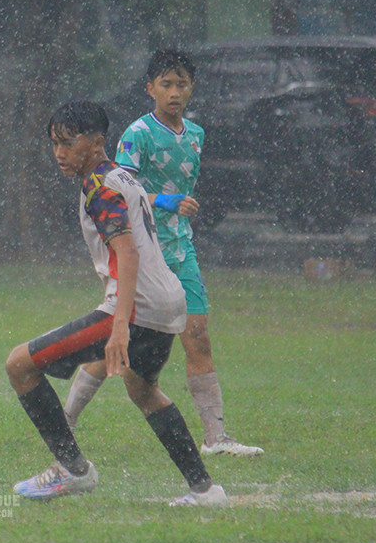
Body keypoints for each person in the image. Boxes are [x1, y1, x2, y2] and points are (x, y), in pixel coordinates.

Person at [6, 100, 226, 506]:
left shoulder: (99, 186)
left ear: (96, 143)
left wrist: (120, 325)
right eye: (54, 143)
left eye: (68, 143)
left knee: (19, 364)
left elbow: (127, 252)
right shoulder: (122, 176)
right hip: (167, 303)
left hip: (136, 308)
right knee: (144, 391)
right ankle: (205, 490)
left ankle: (72, 470)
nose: (59, 153)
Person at [62, 50, 263, 457]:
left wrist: (178, 212)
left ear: (192, 88)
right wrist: (166, 201)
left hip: (181, 249)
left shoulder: (196, 135)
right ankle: (64, 423)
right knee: (116, 346)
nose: (175, 92)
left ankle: (216, 438)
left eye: (182, 84)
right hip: (143, 253)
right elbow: (118, 189)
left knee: (198, 336)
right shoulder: (137, 134)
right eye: (166, 84)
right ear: (150, 88)